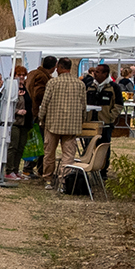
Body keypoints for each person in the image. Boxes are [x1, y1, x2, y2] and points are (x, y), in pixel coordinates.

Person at [40, 57, 89, 188]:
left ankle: (48, 179)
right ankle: (63, 181)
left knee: (49, 153)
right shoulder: (80, 84)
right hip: (72, 125)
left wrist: (41, 118)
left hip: (53, 124)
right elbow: (84, 106)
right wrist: (82, 120)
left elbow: (45, 103)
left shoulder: (52, 83)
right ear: (70, 68)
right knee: (68, 155)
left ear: (60, 68)